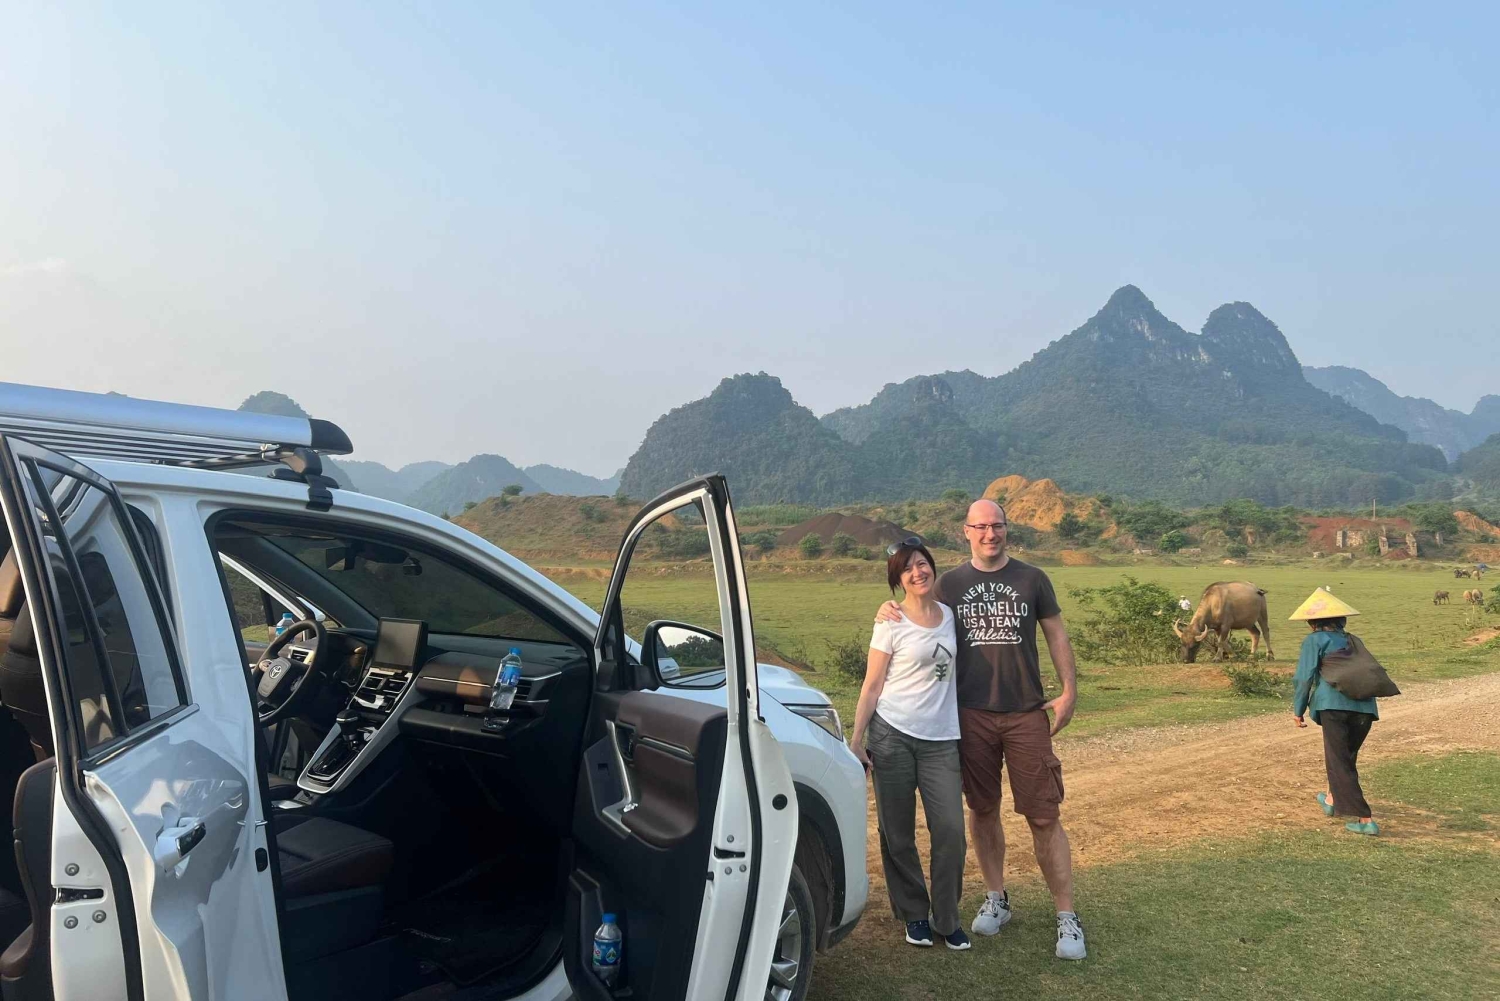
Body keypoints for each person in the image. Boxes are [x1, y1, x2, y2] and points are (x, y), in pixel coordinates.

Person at [877, 499, 1086, 960]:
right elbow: (914, 609)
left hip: (1027, 712)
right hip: (969, 715)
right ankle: (997, 896)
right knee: (983, 809)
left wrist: (1068, 690)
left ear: (1006, 530)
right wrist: (886, 608)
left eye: (997, 526)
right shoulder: (949, 582)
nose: (990, 534)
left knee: (1044, 815)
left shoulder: (1033, 578)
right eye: (981, 527)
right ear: (965, 532)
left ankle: (1066, 916)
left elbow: (1056, 633)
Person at [849, 540, 970, 951]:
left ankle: (947, 916)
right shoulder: (890, 622)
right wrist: (857, 738)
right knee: (897, 832)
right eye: (907, 570)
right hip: (892, 735)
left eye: (922, 564)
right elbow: (872, 684)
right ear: (897, 581)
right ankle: (914, 914)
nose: (917, 573)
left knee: (951, 830)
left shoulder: (951, 617)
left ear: (932, 568)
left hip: (941, 741)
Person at [1290, 588, 1380, 836]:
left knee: (1338, 759)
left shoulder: (1314, 641)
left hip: (1334, 707)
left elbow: (1303, 677)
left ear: (1312, 622)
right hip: (1365, 708)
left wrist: (1298, 710)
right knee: (1345, 757)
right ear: (1342, 620)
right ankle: (1331, 800)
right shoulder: (1353, 639)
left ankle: (1365, 820)